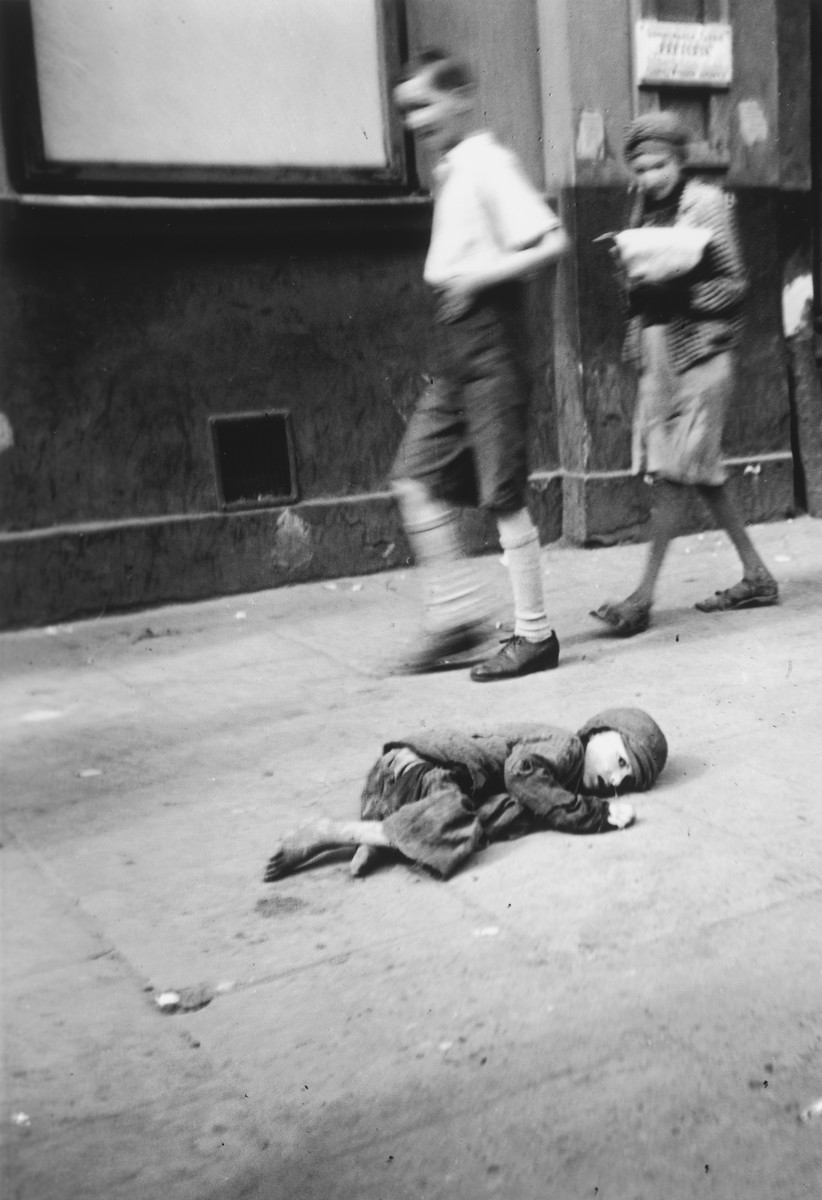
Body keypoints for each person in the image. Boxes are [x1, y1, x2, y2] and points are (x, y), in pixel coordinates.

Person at [388, 50, 568, 679]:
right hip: (456, 351)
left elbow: (552, 240)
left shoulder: (490, 163)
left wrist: (481, 276)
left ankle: (535, 634)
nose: (414, 120)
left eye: (425, 104)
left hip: (493, 346)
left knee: (503, 494)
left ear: (461, 97)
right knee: (414, 478)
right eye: (407, 109)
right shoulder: (454, 169)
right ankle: (455, 618)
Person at [590, 112, 778, 638]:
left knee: (676, 475)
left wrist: (677, 289)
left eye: (662, 165)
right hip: (658, 354)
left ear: (681, 161)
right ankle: (758, 575)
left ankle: (643, 596)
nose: (652, 177)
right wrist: (628, 270)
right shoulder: (642, 208)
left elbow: (735, 283)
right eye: (642, 168)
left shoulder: (707, 203)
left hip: (702, 351)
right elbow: (634, 286)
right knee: (702, 474)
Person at [262, 707, 668, 882]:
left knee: (510, 814)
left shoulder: (561, 776)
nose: (615, 780)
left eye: (627, 779)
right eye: (619, 759)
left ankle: (387, 835)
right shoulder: (566, 748)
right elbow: (521, 772)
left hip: (393, 789)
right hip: (412, 770)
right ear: (596, 731)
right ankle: (332, 832)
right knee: (467, 820)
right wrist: (592, 815)